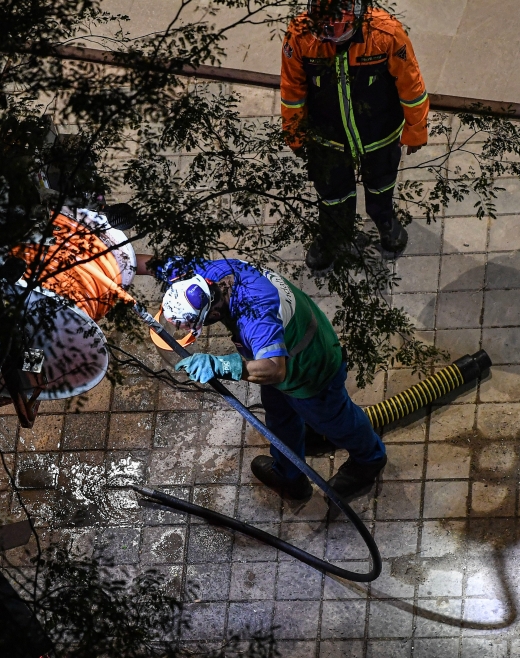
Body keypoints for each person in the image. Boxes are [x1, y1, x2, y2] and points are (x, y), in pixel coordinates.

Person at [158, 257, 387, 502]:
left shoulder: (255, 319)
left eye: (192, 324)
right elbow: (150, 263)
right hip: (283, 355)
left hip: (309, 369)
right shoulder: (208, 274)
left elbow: (275, 370)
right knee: (279, 415)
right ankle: (290, 476)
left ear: (213, 312)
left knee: (336, 420)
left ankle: (369, 460)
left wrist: (221, 364)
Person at [281, 0, 429, 271]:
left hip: (380, 133)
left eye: (341, 30)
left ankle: (384, 220)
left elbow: (411, 84)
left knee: (381, 183)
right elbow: (293, 88)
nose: (334, 39)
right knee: (331, 193)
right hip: (327, 137)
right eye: (326, 31)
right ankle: (333, 234)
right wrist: (294, 133)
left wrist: (416, 130)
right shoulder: (300, 35)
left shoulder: (387, 33)